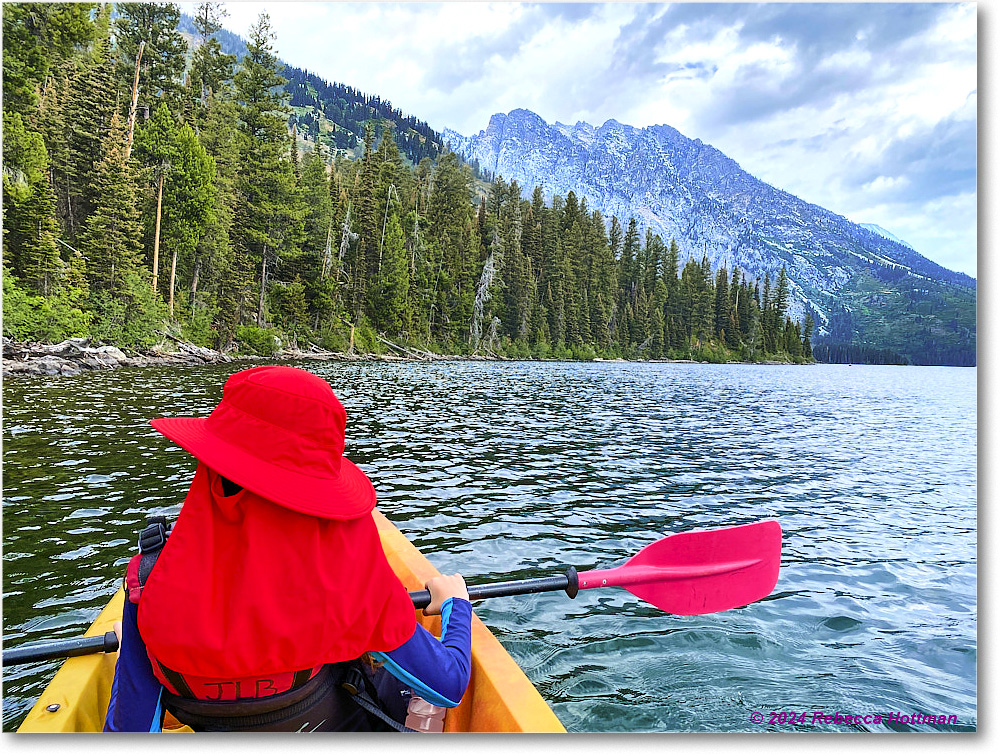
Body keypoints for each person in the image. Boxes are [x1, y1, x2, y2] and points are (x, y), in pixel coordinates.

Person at [103, 365, 472, 731]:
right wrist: (456, 606)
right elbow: (448, 685)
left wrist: (131, 656)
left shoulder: (149, 586)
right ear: (318, 492)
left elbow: (129, 731)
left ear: (211, 471)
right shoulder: (352, 575)